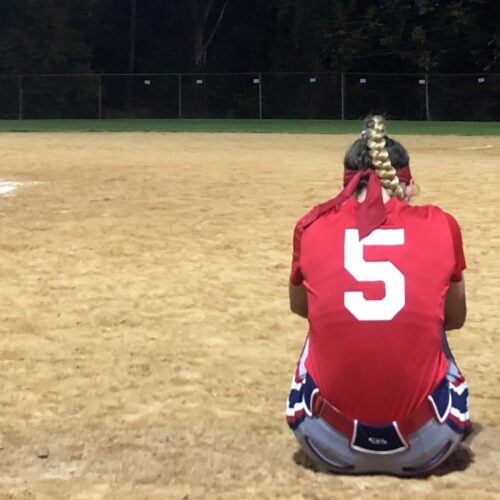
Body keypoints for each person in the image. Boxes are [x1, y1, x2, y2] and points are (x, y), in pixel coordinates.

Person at [285, 115, 470, 476]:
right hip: (430, 446)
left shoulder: (311, 224)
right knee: (434, 326)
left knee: (319, 324)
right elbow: (456, 318)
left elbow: (299, 307)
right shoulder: (441, 224)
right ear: (406, 183)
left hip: (325, 444)